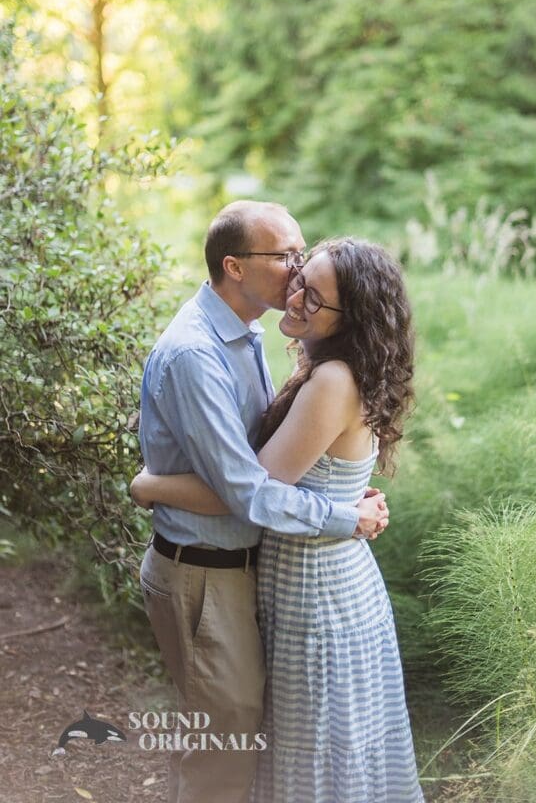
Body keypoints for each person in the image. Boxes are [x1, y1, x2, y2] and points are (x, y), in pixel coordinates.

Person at [132, 236, 424, 803]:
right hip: (307, 580)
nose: (294, 297)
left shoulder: (333, 380)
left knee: (315, 757)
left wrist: (150, 486)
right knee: (311, 749)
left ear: (351, 318)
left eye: (314, 297)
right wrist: (347, 506)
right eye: (299, 281)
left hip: (319, 595)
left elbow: (253, 489)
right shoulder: (323, 365)